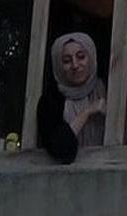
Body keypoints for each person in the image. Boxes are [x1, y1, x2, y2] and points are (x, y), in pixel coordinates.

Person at [37, 32, 106, 164]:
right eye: (67, 61)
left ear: (91, 57)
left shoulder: (108, 90)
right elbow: (61, 149)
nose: (75, 65)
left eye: (81, 57)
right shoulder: (50, 102)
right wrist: (87, 112)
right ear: (58, 65)